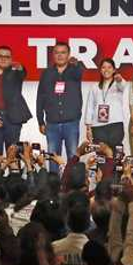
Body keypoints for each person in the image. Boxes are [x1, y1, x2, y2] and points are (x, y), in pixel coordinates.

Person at [37, 42, 84, 172]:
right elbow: (40, 97)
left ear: (68, 55)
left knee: (73, 159)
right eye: (57, 52)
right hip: (52, 124)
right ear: (53, 55)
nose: (60, 55)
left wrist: (76, 63)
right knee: (52, 159)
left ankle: (71, 189)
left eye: (63, 53)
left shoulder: (74, 70)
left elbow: (80, 72)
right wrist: (40, 121)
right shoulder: (46, 73)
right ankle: (53, 189)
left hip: (71, 123)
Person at [85, 59, 127, 151]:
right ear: (100, 70)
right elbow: (90, 107)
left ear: (114, 70)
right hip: (98, 126)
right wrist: (88, 128)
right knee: (101, 156)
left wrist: (119, 80)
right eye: (103, 67)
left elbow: (123, 86)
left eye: (109, 67)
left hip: (115, 124)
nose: (106, 70)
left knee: (116, 154)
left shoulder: (117, 84)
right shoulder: (94, 87)